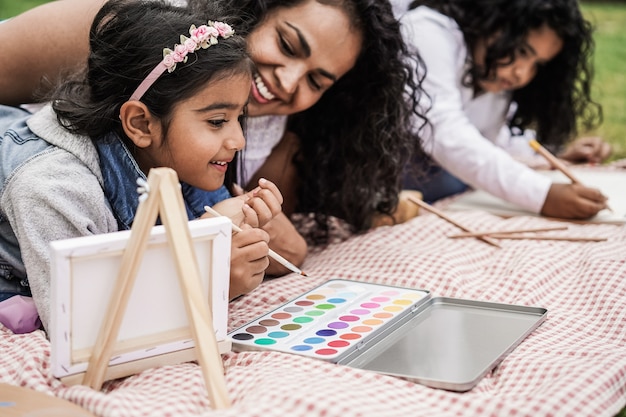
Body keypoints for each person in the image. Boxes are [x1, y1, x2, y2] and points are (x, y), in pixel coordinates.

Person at [0, 0, 429, 242]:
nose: (288, 81)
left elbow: (278, 239)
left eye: (317, 81)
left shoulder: (270, 132)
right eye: (287, 43)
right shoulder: (127, 32)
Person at [0, 0, 305, 331]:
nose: (239, 141)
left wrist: (240, 230)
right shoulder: (53, 189)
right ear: (141, 124)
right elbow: (80, 329)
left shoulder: (179, 160)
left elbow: (226, 240)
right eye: (217, 121)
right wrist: (208, 280)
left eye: (238, 117)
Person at [394, 0, 612, 219]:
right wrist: (541, 195)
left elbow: (490, 143)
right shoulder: (428, 31)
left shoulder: (492, 71)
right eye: (522, 51)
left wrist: (553, 154)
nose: (522, 73)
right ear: (492, 20)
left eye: (538, 64)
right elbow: (444, 133)